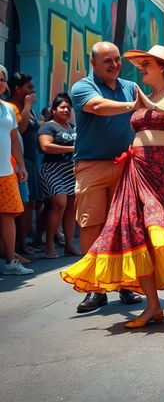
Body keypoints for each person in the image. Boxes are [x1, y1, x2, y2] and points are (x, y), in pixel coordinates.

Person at [61, 45, 164, 328]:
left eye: (147, 64)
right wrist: (145, 106)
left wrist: (153, 108)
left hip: (163, 169)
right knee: (136, 235)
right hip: (136, 168)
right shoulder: (145, 95)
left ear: (163, 68)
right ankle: (153, 306)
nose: (141, 68)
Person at [67, 42, 142, 313]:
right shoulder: (82, 87)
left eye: (116, 59)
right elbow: (98, 107)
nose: (114, 64)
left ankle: (126, 284)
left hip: (126, 166)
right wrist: (134, 105)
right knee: (92, 225)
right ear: (93, 63)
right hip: (91, 166)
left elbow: (142, 118)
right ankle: (95, 288)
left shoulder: (131, 87)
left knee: (125, 226)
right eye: (107, 61)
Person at [38, 93, 80, 259]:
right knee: (59, 203)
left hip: (71, 170)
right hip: (52, 170)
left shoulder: (73, 127)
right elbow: (46, 146)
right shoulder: (48, 127)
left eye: (69, 108)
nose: (66, 110)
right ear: (54, 110)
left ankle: (69, 245)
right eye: (62, 107)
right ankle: (49, 245)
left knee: (71, 208)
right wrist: (72, 149)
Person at [0, 65, 33, 275]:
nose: (1, 81)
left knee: (8, 215)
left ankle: (11, 261)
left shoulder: (8, 109)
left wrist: (20, 165)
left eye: (3, 78)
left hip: (6, 171)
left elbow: (14, 139)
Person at [7, 72, 41, 256]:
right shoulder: (11, 107)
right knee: (22, 204)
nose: (32, 91)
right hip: (20, 161)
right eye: (29, 87)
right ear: (18, 88)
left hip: (32, 160)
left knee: (31, 203)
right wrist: (27, 106)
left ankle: (24, 241)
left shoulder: (27, 107)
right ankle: (18, 244)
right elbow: (21, 129)